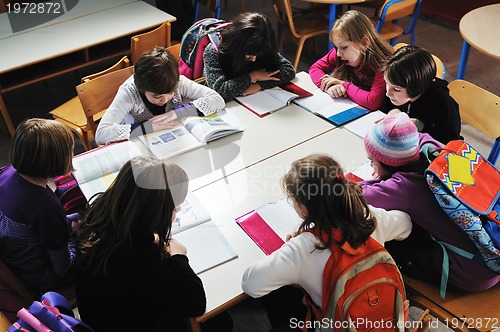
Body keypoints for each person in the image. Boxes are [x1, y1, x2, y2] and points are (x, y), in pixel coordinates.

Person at [242, 154, 412, 329]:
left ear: (304, 209)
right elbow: (406, 224)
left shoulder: (302, 248)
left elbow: (251, 285)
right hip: (387, 322)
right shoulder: (369, 217)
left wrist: (288, 248)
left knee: (278, 297)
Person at [75, 156, 231, 332]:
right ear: (156, 212)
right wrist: (179, 257)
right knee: (220, 323)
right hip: (129, 323)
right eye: (175, 208)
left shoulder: (101, 211)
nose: (176, 213)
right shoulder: (136, 257)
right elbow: (195, 303)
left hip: (99, 313)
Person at [361, 112, 500, 293]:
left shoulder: (404, 187)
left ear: (387, 162)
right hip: (490, 252)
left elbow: (355, 195)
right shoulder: (435, 151)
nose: (371, 166)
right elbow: (422, 137)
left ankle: (405, 295)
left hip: (469, 272)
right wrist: (400, 127)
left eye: (372, 161)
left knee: (393, 244)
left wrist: (372, 181)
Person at [0, 118, 79, 292]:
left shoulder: (7, 172)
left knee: (82, 216)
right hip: (43, 277)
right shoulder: (45, 207)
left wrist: (70, 224)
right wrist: (74, 237)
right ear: (56, 159)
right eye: (70, 151)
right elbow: (63, 268)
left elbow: (34, 227)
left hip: (16, 258)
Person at [95, 47, 225, 145]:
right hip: (140, 146)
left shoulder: (176, 81)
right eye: (157, 96)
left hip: (174, 141)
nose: (165, 99)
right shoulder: (129, 92)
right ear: (142, 88)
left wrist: (177, 113)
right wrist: (147, 127)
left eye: (170, 93)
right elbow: (101, 134)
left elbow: (217, 100)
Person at [309, 10, 393, 111]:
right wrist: (329, 86)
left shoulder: (383, 63)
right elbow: (315, 68)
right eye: (336, 47)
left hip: (380, 116)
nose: (338, 54)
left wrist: (343, 85)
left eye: (344, 47)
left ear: (364, 43)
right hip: (356, 108)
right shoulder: (341, 52)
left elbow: (372, 102)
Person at [203, 12, 296, 102]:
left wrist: (260, 85)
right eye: (249, 55)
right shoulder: (214, 51)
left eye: (257, 55)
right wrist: (252, 76)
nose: (254, 59)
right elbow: (219, 92)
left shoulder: (261, 45)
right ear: (238, 46)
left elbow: (288, 70)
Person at [380, 45, 461, 144]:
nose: (388, 93)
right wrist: (393, 111)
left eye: (396, 89)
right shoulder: (396, 86)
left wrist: (419, 126)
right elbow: (385, 109)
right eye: (386, 83)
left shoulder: (443, 103)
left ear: (415, 87)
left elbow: (450, 142)